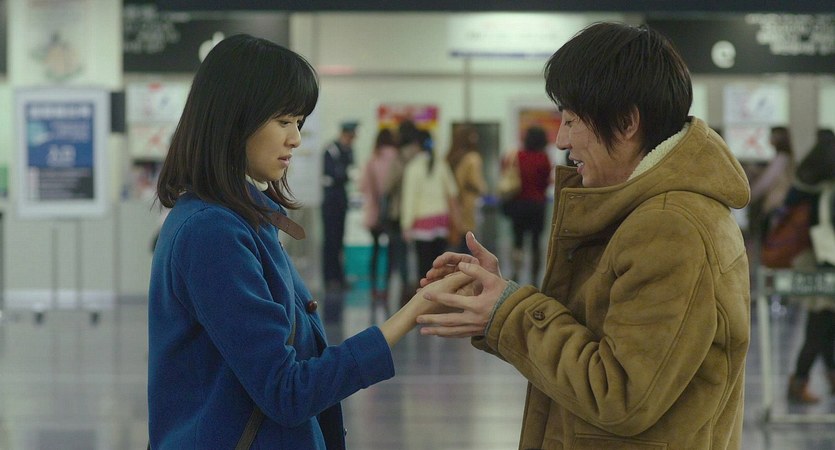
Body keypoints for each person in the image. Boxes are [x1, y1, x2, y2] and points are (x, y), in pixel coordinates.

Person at [417, 22, 751, 449]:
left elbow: (619, 393)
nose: (561, 139)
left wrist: (509, 312)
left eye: (572, 120)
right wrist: (497, 297)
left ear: (627, 122)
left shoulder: (670, 227)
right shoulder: (644, 211)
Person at [147, 34, 465, 449]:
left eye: (298, 123)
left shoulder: (238, 218)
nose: (295, 138)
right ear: (234, 121)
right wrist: (413, 311)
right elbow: (287, 390)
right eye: (284, 122)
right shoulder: (213, 231)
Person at [784, 128, 835, 404]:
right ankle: (799, 381)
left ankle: (828, 376)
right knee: (819, 327)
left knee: (826, 326)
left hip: (812, 263)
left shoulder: (804, 186)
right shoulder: (827, 192)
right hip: (826, 265)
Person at [400, 128, 459, 289]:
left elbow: (409, 199)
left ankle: (426, 296)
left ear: (416, 145)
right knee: (440, 265)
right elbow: (452, 192)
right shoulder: (441, 164)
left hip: (422, 222)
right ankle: (442, 295)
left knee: (424, 266)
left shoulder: (413, 168)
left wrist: (406, 225)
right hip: (441, 219)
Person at [501, 126, 553, 283]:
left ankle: (516, 273)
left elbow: (504, 169)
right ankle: (534, 277)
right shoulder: (543, 158)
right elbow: (546, 182)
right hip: (537, 205)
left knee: (518, 240)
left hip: (518, 204)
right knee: (536, 242)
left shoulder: (518, 155)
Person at [359, 127, 399, 311]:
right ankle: (387, 288)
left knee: (375, 250)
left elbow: (362, 186)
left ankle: (374, 288)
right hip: (392, 214)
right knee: (391, 253)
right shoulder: (397, 158)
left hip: (375, 212)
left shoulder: (372, 160)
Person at [321, 120, 357, 292]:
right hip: (330, 201)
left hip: (341, 200)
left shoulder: (348, 150)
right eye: (350, 137)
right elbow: (332, 174)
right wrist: (345, 175)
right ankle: (329, 278)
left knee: (340, 241)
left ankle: (339, 277)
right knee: (331, 241)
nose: (351, 141)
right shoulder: (331, 150)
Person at [748, 126, 795, 241]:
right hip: (781, 203)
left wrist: (749, 196)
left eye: (773, 136)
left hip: (775, 205)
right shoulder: (786, 158)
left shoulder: (781, 159)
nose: (770, 139)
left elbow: (765, 182)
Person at [446, 124, 487, 252]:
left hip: (452, 206)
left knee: (455, 245)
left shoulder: (450, 158)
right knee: (470, 243)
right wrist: (484, 189)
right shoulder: (473, 158)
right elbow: (476, 181)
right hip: (469, 204)